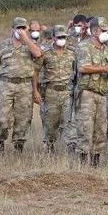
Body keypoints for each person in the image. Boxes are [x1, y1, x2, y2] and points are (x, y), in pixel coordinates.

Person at [0, 17, 43, 153]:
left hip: (24, 86)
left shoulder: (31, 45)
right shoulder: (2, 46)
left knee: (23, 118)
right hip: (5, 85)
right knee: (2, 119)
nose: (21, 31)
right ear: (12, 29)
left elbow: (38, 54)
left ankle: (19, 147)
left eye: (23, 28)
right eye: (18, 28)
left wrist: (26, 39)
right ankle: (0, 142)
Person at [75, 17, 108, 166]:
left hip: (102, 93)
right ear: (94, 31)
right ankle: (82, 164)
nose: (106, 33)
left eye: (107, 30)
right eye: (103, 30)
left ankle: (95, 163)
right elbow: (83, 67)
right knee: (85, 129)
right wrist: (104, 69)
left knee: (100, 130)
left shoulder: (106, 49)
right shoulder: (84, 46)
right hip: (87, 93)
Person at [33, 25, 75, 153]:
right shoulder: (45, 53)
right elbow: (35, 71)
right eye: (59, 37)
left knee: (70, 124)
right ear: (53, 37)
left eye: (64, 37)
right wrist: (35, 90)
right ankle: (50, 148)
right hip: (51, 93)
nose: (62, 39)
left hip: (68, 93)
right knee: (50, 125)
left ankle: (72, 149)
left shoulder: (73, 53)